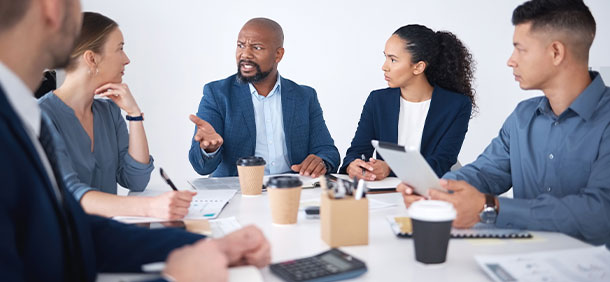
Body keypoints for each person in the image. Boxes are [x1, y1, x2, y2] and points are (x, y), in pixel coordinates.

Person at [0, 0, 270, 281]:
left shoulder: (27, 116)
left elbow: (76, 231)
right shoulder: (30, 120)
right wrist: (176, 278)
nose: (127, 59)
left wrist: (207, 247)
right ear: (52, 8)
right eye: (120, 48)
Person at [399, 0, 610, 247]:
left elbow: (600, 213)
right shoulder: (523, 116)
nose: (511, 60)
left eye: (520, 49)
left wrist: (491, 207)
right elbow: (485, 172)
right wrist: (437, 191)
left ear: (556, 52)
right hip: (522, 257)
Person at [38, 12, 195, 219]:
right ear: (91, 58)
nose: (127, 59)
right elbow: (69, 194)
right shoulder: (42, 116)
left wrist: (134, 115)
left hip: (108, 233)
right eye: (120, 49)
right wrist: (151, 207)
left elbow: (135, 181)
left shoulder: (109, 111)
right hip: (67, 242)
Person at [188, 18, 340, 178]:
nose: (245, 54)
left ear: (278, 55)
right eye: (240, 45)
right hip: (240, 192)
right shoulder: (217, 94)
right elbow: (201, 167)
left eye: (257, 47)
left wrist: (321, 161)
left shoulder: (304, 96)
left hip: (291, 189)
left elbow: (327, 150)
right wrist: (210, 150)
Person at [339, 24, 475, 181]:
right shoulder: (377, 100)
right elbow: (358, 150)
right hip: (384, 194)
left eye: (393, 60)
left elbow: (441, 163)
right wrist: (353, 166)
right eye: (386, 57)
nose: (384, 67)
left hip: (432, 193)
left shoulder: (456, 105)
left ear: (418, 67)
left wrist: (390, 167)